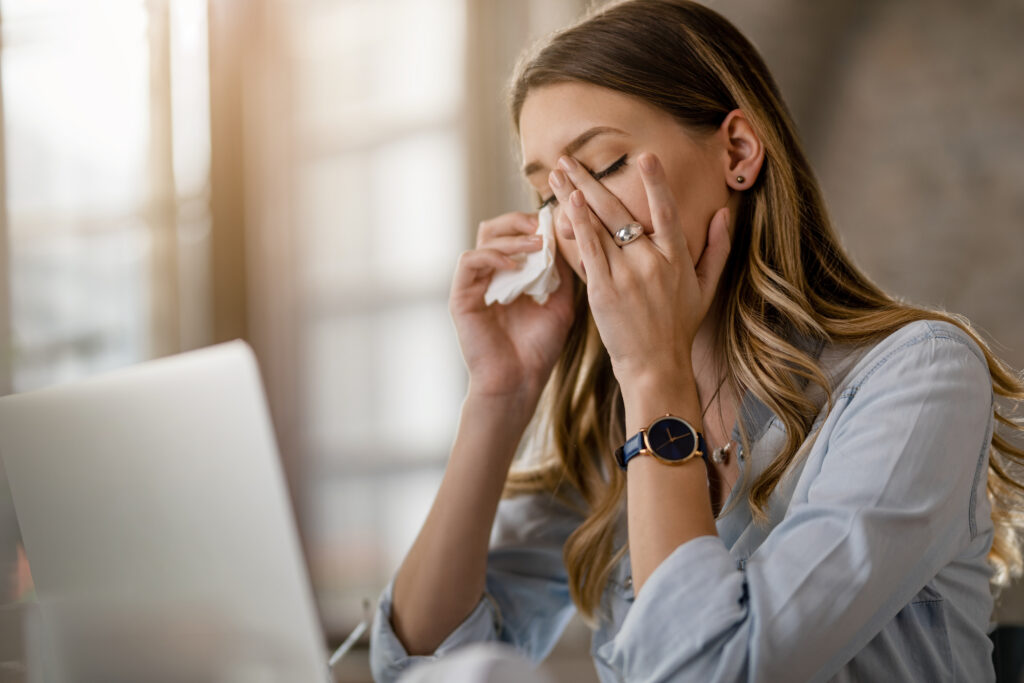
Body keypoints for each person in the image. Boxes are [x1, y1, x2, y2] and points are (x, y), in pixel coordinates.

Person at [369, 1, 1024, 681]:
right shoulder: (607, 430)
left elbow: (712, 672)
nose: (577, 218)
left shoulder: (920, 377)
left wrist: (655, 374)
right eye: (550, 194)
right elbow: (421, 662)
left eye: (604, 164)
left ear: (737, 152)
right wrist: (497, 392)